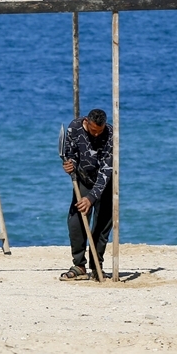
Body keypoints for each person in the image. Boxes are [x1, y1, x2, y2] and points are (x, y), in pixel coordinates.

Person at [60, 108, 114, 280]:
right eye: (93, 131)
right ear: (86, 122)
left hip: (105, 183)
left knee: (102, 225)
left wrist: (91, 198)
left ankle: (97, 266)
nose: (97, 135)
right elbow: (72, 154)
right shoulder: (74, 128)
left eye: (100, 131)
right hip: (83, 179)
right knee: (76, 220)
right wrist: (70, 165)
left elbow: (107, 170)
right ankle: (79, 265)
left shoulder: (111, 134)